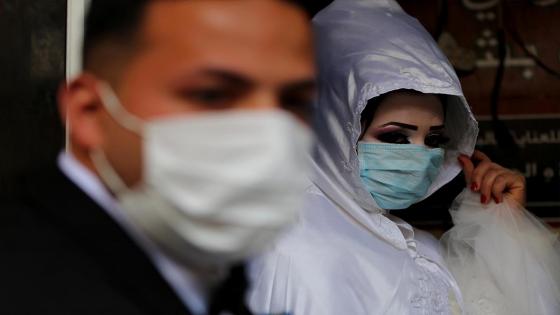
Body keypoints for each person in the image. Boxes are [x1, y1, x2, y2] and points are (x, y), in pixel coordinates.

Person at [0, 1, 315, 314]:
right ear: (89, 112)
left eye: (295, 102)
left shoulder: (212, 276)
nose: (268, 135)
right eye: (211, 94)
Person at [248, 0, 559, 314]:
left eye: (434, 140)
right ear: (332, 130)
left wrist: (503, 226)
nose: (419, 156)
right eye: (394, 137)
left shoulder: (420, 250)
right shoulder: (284, 252)